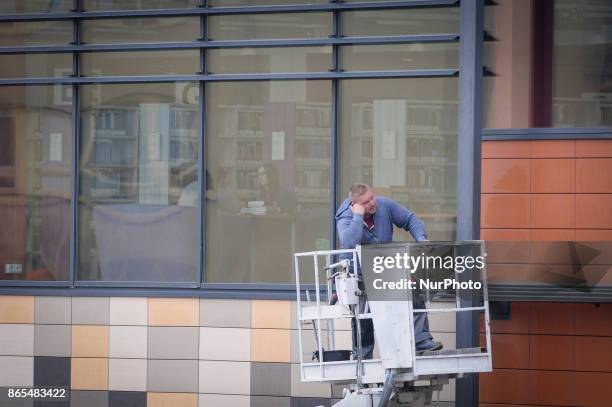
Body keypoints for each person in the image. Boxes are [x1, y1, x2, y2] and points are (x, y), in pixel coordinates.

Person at [335, 183, 443, 359]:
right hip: (359, 275)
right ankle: (363, 356)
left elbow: (410, 219)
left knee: (412, 289)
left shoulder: (384, 205)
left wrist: (421, 238)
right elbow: (349, 241)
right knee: (364, 319)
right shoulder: (346, 217)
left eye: (372, 197)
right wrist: (357, 216)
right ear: (355, 204)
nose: (372, 203)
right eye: (366, 201)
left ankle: (421, 340)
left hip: (385, 268)